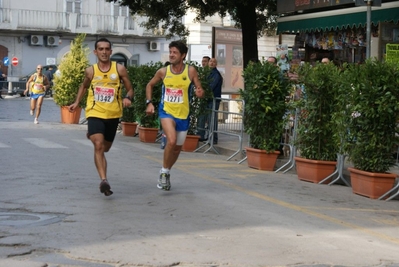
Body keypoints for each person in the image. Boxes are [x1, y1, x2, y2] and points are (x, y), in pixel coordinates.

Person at [68, 37, 134, 197]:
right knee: (98, 145)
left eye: (107, 49)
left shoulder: (119, 69)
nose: (104, 52)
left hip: (113, 114)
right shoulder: (91, 71)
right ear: (95, 52)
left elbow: (130, 89)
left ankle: (94, 134)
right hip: (95, 112)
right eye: (101, 49)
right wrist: (77, 102)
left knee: (106, 148)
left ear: (111, 51)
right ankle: (104, 180)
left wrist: (127, 98)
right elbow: (83, 86)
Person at [146, 40, 204, 191]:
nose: (171, 55)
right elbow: (149, 85)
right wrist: (149, 102)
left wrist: (199, 92)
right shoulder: (163, 72)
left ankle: (167, 170)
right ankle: (164, 172)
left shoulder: (190, 71)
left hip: (183, 114)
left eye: (175, 52)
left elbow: (200, 89)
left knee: (177, 148)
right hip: (166, 111)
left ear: (183, 55)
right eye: (170, 52)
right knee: (171, 140)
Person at [198, 57, 223, 144]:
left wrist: (203, 92)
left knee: (212, 119)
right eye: (211, 61)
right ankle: (201, 135)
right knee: (203, 117)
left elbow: (211, 86)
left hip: (213, 99)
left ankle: (213, 138)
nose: (212, 63)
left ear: (216, 64)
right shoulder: (207, 73)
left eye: (214, 62)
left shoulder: (216, 74)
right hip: (207, 98)